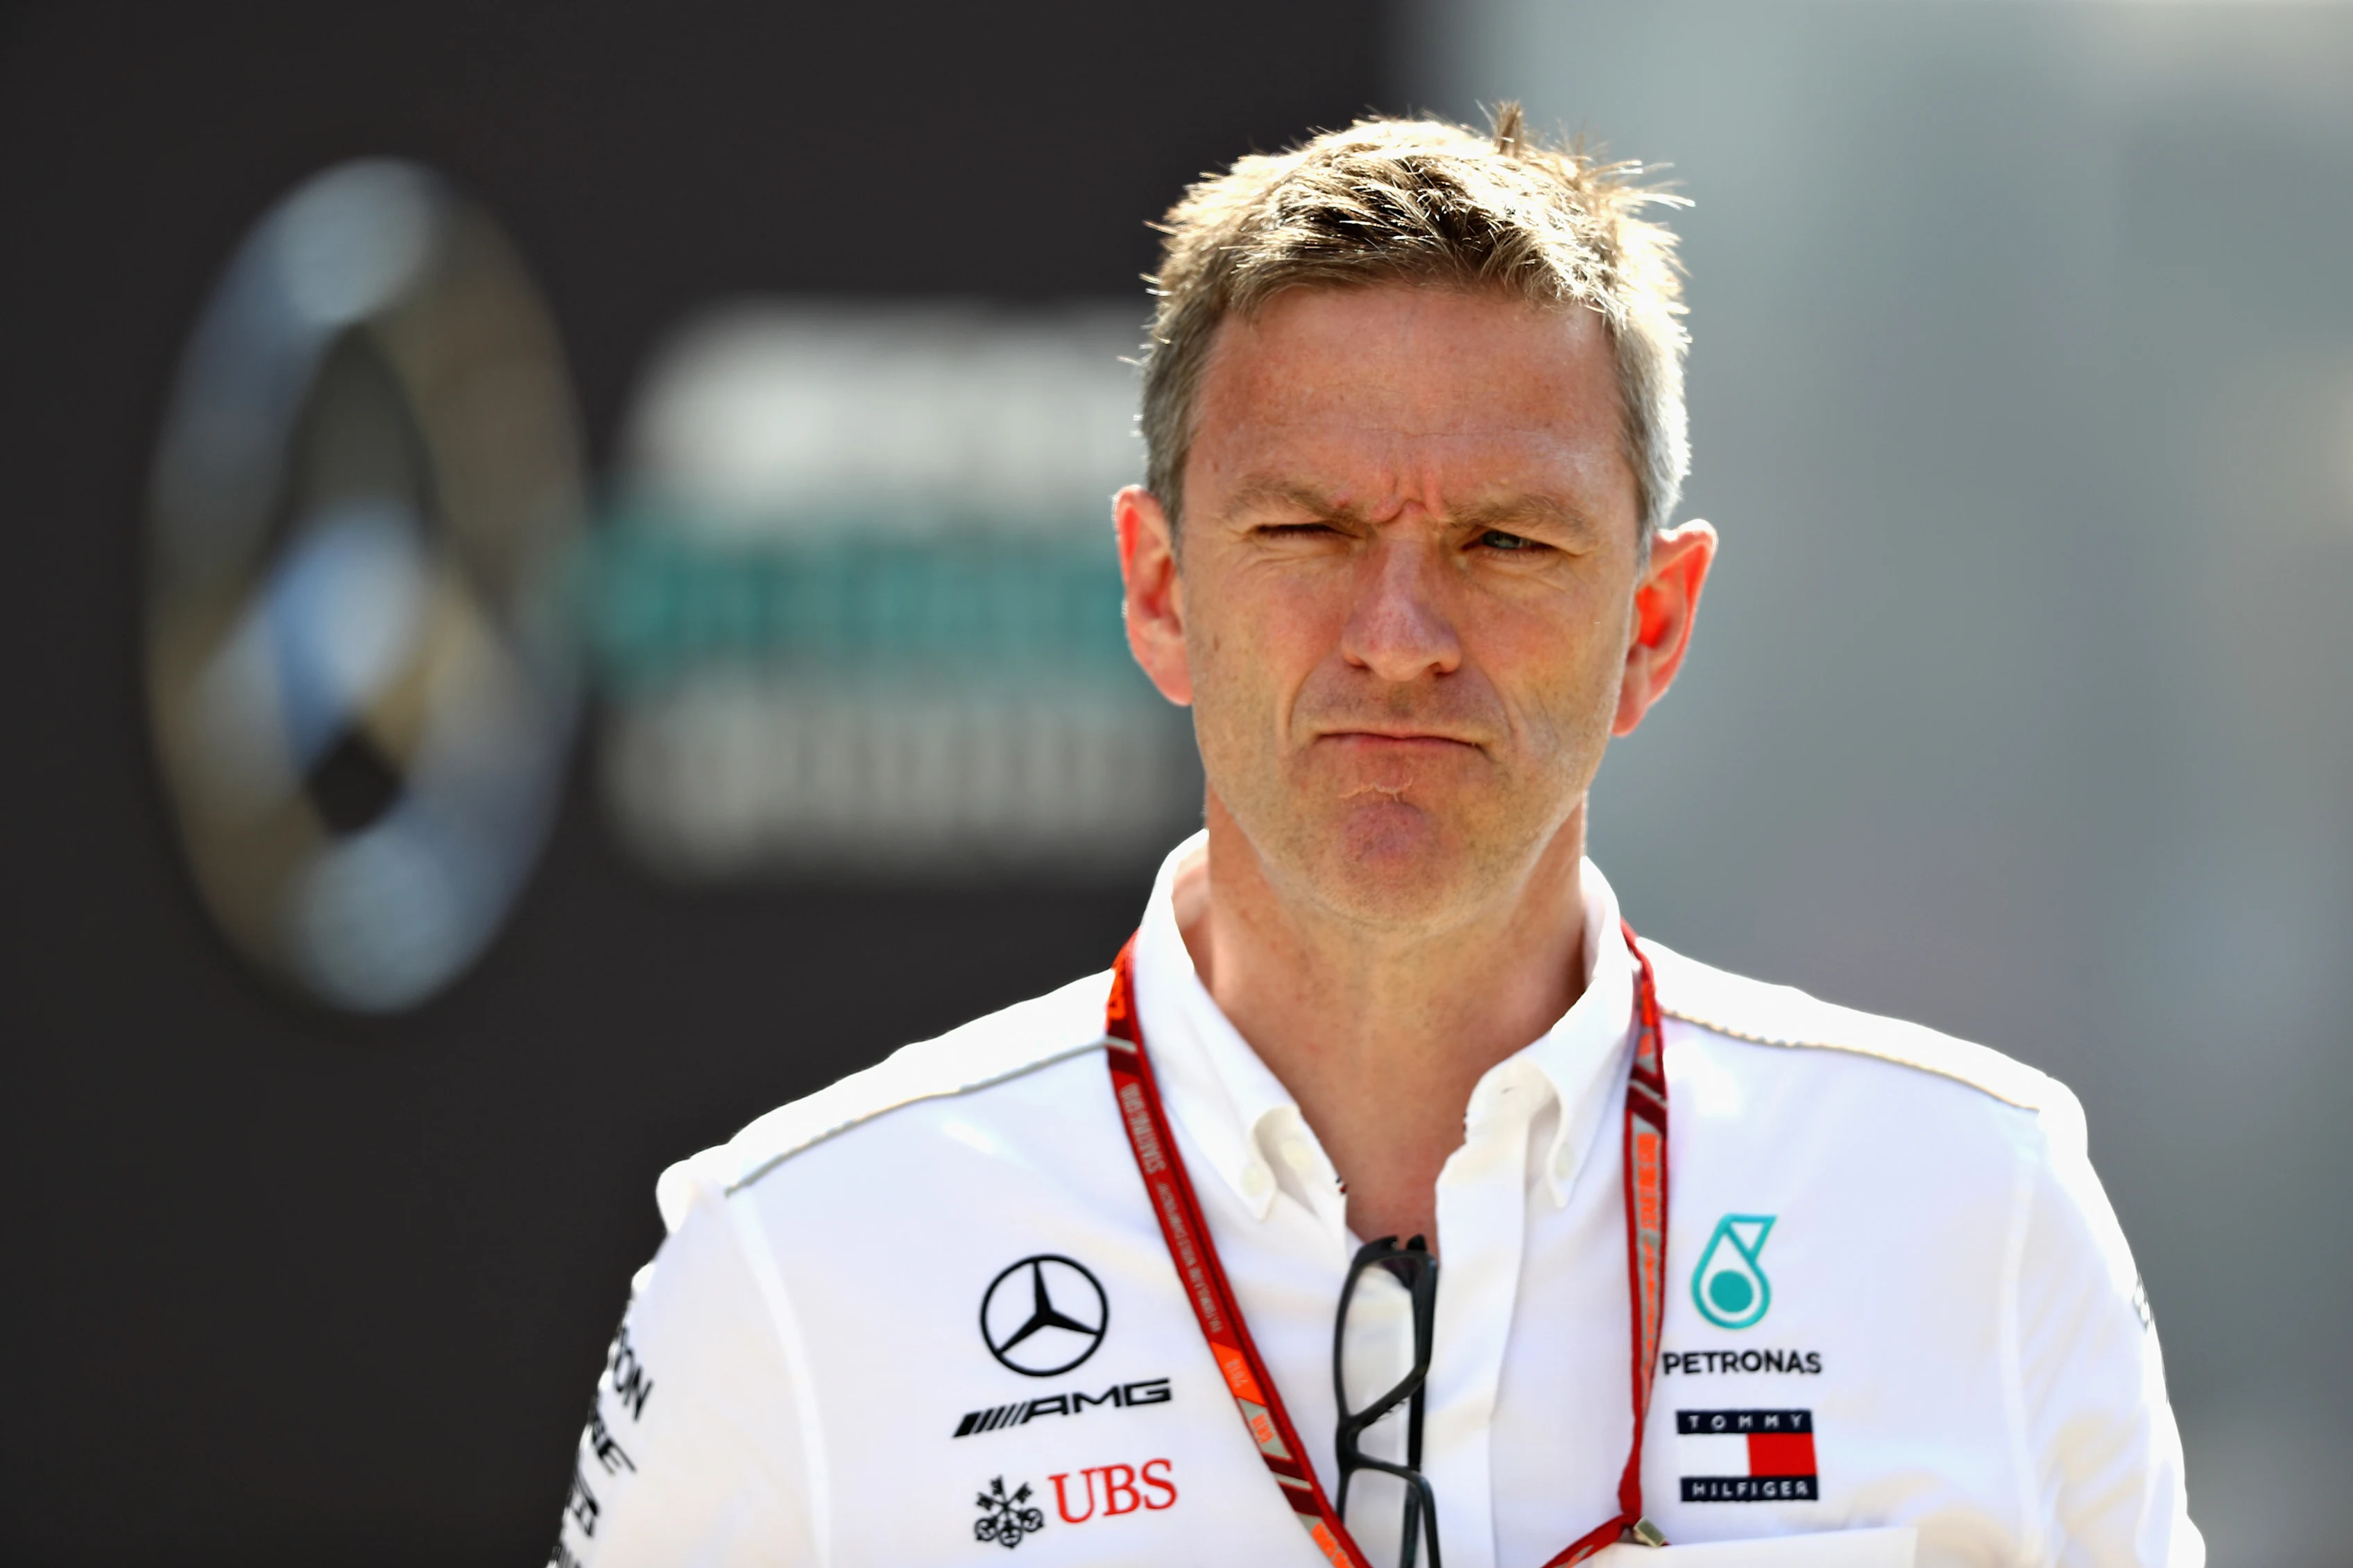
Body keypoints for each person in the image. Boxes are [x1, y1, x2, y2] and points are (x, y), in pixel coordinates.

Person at [549, 109, 2201, 1568]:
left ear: (1652, 623)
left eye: (1505, 540)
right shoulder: (795, 1263)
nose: (1400, 634)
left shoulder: (1974, 1208)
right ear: (1159, 590)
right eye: (1306, 528)